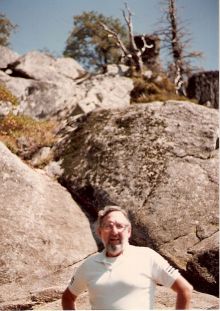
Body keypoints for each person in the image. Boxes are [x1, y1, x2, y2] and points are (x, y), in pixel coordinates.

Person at [62, 205, 193, 310]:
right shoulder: (89, 265)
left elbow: (184, 290)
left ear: (129, 231)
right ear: (99, 232)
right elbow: (67, 298)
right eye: (108, 226)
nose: (114, 231)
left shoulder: (147, 256)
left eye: (119, 226)